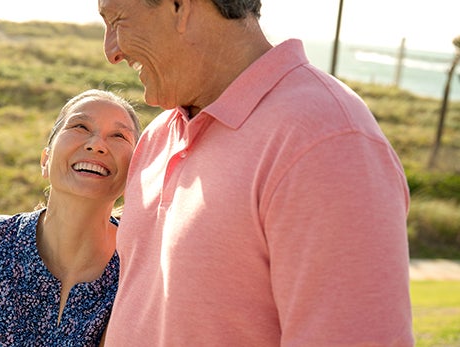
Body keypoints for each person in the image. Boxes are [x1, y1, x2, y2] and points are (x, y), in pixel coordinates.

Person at [98, 0, 414, 345]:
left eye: (117, 20)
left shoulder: (327, 142)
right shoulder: (158, 137)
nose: (111, 51)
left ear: (181, 6)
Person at [0, 89, 140, 346]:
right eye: (80, 126)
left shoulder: (140, 269)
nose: (96, 145)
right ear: (45, 160)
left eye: (118, 136)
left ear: (135, 171)